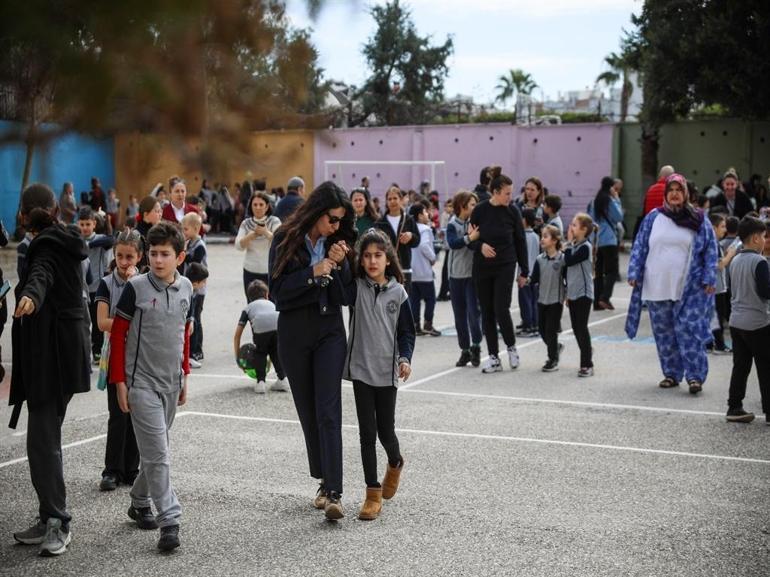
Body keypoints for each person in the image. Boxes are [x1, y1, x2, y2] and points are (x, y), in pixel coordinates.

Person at [10, 183, 91, 557]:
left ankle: (59, 521)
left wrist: (30, 295)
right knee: (42, 440)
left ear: (25, 214)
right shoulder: (64, 239)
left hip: (53, 358)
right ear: (56, 209)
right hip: (61, 353)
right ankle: (48, 516)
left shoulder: (44, 245)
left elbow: (41, 274)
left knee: (43, 442)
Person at [268, 181, 356, 520]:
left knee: (329, 410)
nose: (336, 226)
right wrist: (312, 272)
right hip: (294, 333)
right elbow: (277, 293)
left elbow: (347, 296)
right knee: (309, 412)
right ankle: (323, 480)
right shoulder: (286, 239)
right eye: (332, 219)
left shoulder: (339, 241)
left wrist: (341, 263)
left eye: (340, 221)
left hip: (330, 331)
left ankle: (334, 491)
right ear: (317, 213)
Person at [109, 221, 193, 552]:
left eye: (165, 254)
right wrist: (119, 382)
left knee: (156, 453)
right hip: (140, 383)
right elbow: (117, 335)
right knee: (158, 455)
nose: (158, 260)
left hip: (171, 382)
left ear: (180, 257)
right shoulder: (136, 289)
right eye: (154, 254)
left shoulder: (187, 288)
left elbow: (184, 334)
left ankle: (139, 500)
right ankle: (169, 520)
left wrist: (185, 374)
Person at [343, 229, 415, 521]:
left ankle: (395, 462)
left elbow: (407, 332)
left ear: (388, 260)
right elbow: (344, 260)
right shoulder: (355, 288)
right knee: (366, 434)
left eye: (378, 256)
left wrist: (405, 358)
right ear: (360, 260)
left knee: (386, 431)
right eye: (367, 256)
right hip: (361, 369)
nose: (372, 261)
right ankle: (372, 493)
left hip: (387, 373)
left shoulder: (399, 293)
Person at [626, 173, 718, 394]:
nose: (675, 194)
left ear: (685, 193)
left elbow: (711, 249)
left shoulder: (698, 218)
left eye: (679, 190)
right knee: (664, 333)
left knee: (690, 330)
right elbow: (640, 246)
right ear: (666, 194)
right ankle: (671, 374)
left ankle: (695, 376)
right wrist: (634, 271)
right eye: (671, 190)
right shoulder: (653, 217)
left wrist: (709, 277)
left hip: (690, 288)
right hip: (657, 285)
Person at [95, 230, 143, 492]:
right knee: (117, 414)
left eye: (130, 256)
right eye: (120, 256)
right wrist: (128, 323)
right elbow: (103, 322)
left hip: (139, 357)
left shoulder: (144, 283)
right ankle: (111, 470)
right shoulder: (106, 283)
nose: (124, 262)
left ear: (139, 256)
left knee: (135, 413)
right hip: (115, 355)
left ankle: (130, 470)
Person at [469, 169, 528, 373]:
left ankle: (511, 347)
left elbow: (520, 242)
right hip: (482, 268)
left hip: (506, 264)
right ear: (495, 192)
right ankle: (493, 357)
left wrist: (524, 271)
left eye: (511, 193)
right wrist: (481, 246)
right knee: (486, 312)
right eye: (507, 193)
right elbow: (470, 239)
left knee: (501, 308)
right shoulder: (480, 211)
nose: (510, 197)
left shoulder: (513, 212)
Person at [725, 216, 770, 423]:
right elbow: (765, 291)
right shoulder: (760, 262)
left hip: (737, 321)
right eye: (763, 236)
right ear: (754, 238)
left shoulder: (735, 260)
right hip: (758, 323)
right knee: (765, 366)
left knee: (741, 366)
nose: (764, 240)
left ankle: (734, 407)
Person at [446, 191, 483, 367]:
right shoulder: (453, 224)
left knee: (473, 314)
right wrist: (470, 238)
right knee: (459, 315)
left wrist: (474, 238)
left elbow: (476, 244)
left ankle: (476, 347)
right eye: (472, 204)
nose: (475, 207)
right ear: (462, 206)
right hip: (455, 276)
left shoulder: (475, 224)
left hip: (471, 276)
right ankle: (465, 350)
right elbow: (453, 243)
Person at [233, 279, 287, 394]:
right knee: (275, 352)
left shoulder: (248, 308)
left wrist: (238, 356)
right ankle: (283, 379)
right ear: (267, 295)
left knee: (260, 352)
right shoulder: (272, 303)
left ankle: (261, 382)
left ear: (249, 297)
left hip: (261, 329)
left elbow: (237, 335)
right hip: (278, 325)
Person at [79, 206, 115, 364]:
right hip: (80, 290)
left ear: (94, 224)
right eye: (82, 224)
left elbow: (111, 240)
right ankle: (84, 350)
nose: (85, 228)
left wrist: (90, 245)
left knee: (97, 321)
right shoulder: (76, 239)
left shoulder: (100, 240)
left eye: (88, 224)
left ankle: (97, 351)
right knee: (83, 323)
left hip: (97, 288)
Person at [529, 225, 566, 372]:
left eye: (546, 236)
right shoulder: (539, 259)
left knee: (551, 330)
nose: (542, 239)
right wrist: (526, 280)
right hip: (542, 299)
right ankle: (555, 347)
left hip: (556, 300)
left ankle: (552, 359)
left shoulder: (562, 259)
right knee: (542, 330)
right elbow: (535, 278)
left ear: (555, 240)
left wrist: (567, 294)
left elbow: (567, 278)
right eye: (542, 236)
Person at [565, 214, 596, 377]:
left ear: (584, 230)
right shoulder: (575, 245)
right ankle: (587, 350)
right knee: (576, 328)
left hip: (584, 294)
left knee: (582, 328)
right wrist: (567, 293)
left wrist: (569, 244)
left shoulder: (585, 247)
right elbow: (567, 270)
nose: (571, 228)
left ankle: (587, 364)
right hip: (573, 293)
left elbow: (569, 261)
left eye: (575, 225)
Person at [374, 185, 420, 292]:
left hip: (405, 268)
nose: (392, 201)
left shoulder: (409, 220)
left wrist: (411, 236)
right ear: (386, 202)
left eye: (395, 198)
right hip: (386, 269)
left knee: (404, 303)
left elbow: (417, 240)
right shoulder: (380, 223)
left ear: (401, 200)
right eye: (389, 199)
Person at [588, 176, 624, 311]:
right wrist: (617, 200)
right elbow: (619, 217)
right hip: (609, 240)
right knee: (612, 271)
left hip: (597, 240)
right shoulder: (609, 200)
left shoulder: (594, 201)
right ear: (611, 187)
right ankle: (605, 297)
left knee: (598, 272)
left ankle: (597, 302)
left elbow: (590, 220)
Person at [235, 190, 281, 297]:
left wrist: (265, 232)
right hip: (250, 270)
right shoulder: (246, 223)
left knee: (271, 305)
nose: (258, 207)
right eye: (255, 204)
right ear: (250, 206)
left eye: (261, 204)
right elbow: (238, 245)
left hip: (270, 270)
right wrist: (252, 235)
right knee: (252, 304)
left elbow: (281, 242)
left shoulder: (274, 221)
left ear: (267, 206)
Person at [408, 202, 440, 336]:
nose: (428, 214)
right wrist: (433, 258)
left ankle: (416, 325)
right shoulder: (424, 229)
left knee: (414, 299)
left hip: (412, 270)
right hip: (424, 270)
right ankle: (428, 324)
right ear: (420, 215)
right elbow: (424, 246)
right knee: (430, 298)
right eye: (426, 212)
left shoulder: (410, 228)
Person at [707, 213, 737, 354]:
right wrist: (730, 254)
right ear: (714, 228)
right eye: (722, 226)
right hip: (716, 286)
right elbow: (720, 265)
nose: (725, 230)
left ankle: (710, 344)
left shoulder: (711, 243)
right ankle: (719, 345)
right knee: (718, 315)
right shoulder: (713, 243)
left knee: (714, 315)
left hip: (715, 285)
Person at [181, 212, 208, 365]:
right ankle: (191, 350)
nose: (183, 232)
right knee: (191, 318)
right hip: (190, 287)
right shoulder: (190, 243)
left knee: (195, 319)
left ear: (196, 228)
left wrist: (184, 252)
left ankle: (197, 351)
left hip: (198, 288)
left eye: (186, 229)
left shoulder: (199, 246)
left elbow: (195, 263)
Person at [516, 208, 540, 337]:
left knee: (525, 301)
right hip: (534, 273)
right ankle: (535, 324)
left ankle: (527, 325)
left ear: (524, 221)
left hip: (524, 274)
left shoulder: (522, 237)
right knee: (533, 301)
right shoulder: (536, 236)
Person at [185, 262, 209, 371]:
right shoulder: (187, 291)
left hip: (190, 319)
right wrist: (190, 320)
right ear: (195, 283)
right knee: (190, 334)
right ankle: (188, 357)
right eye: (203, 282)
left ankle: (189, 355)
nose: (205, 284)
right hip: (184, 321)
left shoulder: (193, 291)